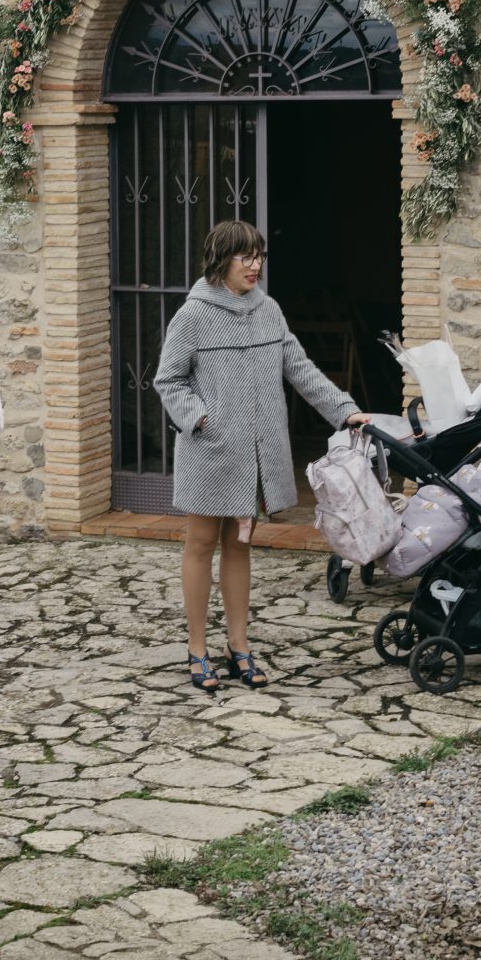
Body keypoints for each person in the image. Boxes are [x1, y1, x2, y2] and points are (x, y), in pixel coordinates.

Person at [153, 219, 370, 693]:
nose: (255, 266)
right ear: (221, 260)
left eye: (260, 257)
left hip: (254, 455)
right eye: (246, 257)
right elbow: (168, 380)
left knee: (240, 544)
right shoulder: (192, 315)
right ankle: (196, 649)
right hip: (209, 451)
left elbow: (300, 369)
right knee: (200, 544)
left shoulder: (268, 309)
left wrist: (345, 410)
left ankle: (239, 646)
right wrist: (202, 419)